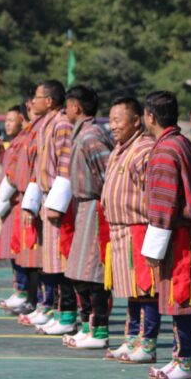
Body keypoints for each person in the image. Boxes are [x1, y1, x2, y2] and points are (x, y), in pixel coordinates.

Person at [141, 91, 191, 379]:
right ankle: (179, 359)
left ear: (150, 117)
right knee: (179, 300)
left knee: (181, 298)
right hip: (187, 232)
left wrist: (153, 249)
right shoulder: (182, 142)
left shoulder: (165, 150)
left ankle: (184, 363)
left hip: (180, 235)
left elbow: (164, 202)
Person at [100, 97, 158, 362]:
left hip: (139, 228)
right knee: (130, 290)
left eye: (118, 120)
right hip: (120, 230)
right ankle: (132, 338)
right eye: (111, 120)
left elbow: (152, 192)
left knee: (145, 289)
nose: (113, 126)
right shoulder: (120, 148)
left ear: (136, 121)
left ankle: (147, 344)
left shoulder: (144, 148)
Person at [58, 86, 115, 348]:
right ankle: (87, 326)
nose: (65, 111)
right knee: (78, 271)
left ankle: (99, 331)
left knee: (93, 273)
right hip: (83, 207)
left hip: (95, 209)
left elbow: (108, 174)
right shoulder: (83, 133)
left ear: (76, 107)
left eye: (67, 106)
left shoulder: (91, 136)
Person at [26, 80, 77, 336]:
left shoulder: (62, 124)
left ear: (49, 101)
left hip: (58, 201)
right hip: (47, 197)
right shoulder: (46, 123)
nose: (32, 101)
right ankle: (57, 311)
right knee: (51, 262)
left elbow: (65, 167)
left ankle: (67, 314)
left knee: (62, 260)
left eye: (37, 97)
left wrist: (57, 204)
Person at [17, 86, 53, 326]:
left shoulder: (49, 127)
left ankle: (46, 304)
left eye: (35, 99)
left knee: (44, 257)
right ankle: (39, 302)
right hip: (32, 196)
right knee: (33, 255)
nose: (30, 105)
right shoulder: (36, 128)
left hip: (45, 198)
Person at [0, 105, 29, 314]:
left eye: (11, 120)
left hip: (17, 203)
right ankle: (18, 289)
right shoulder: (12, 145)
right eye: (6, 120)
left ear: (21, 121)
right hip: (8, 204)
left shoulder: (22, 144)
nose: (7, 124)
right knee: (11, 248)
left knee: (19, 249)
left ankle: (23, 292)